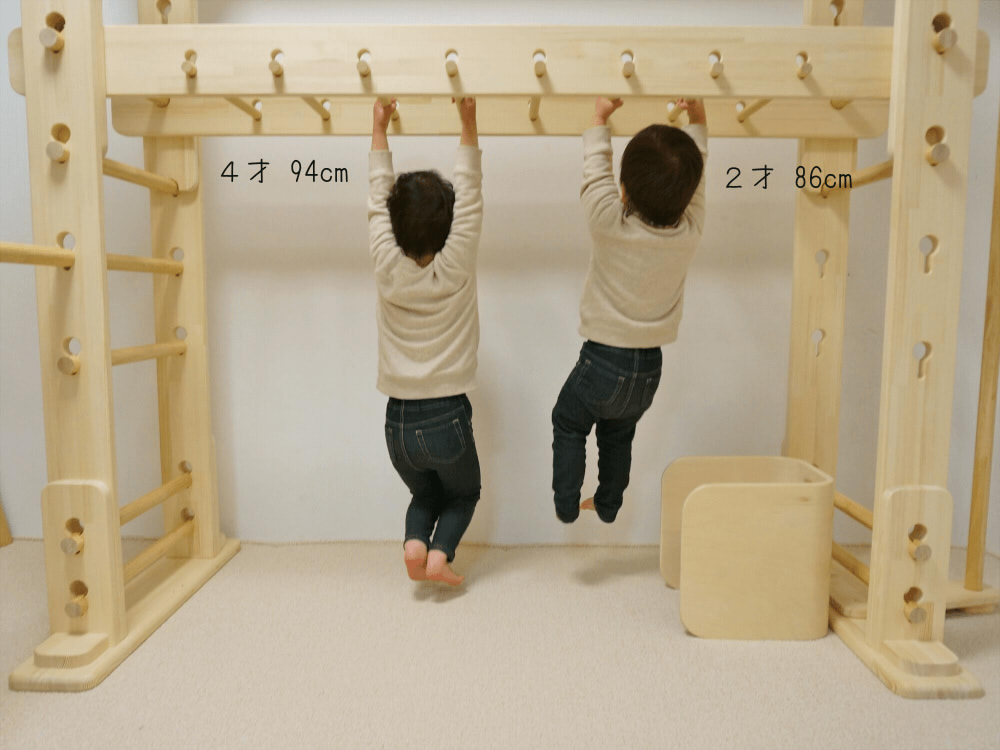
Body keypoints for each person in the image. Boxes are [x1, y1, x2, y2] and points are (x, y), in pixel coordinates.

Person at [551, 97, 707, 524]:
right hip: (649, 369)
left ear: (623, 191)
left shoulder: (609, 225)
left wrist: (600, 116)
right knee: (618, 434)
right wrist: (697, 118)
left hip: (603, 359)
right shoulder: (690, 232)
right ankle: (607, 505)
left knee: (569, 421)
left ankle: (566, 505)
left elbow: (595, 176)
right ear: (687, 197)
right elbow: (602, 175)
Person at [368, 97, 483, 585]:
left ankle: (415, 545)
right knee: (463, 494)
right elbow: (470, 193)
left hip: (397, 421)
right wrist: (468, 122)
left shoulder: (385, 263)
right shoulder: (456, 263)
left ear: (393, 230)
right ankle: (439, 555)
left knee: (424, 494)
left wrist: (379, 128)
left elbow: (376, 197)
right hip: (446, 414)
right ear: (450, 229)